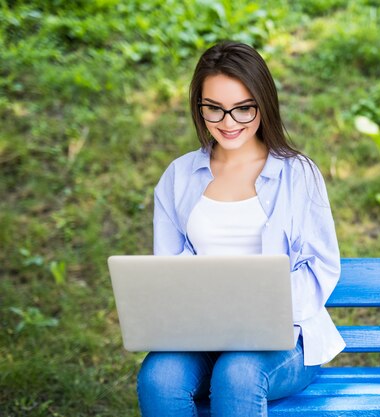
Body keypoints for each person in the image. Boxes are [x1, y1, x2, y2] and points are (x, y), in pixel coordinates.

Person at [136, 41, 345, 416]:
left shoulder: (298, 174)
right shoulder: (178, 176)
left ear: (263, 104)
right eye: (214, 109)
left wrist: (260, 314)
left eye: (243, 108)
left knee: (237, 373)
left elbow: (321, 266)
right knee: (160, 379)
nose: (228, 123)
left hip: (285, 338)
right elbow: (166, 273)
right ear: (198, 107)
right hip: (201, 333)